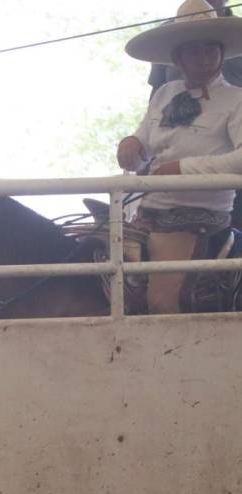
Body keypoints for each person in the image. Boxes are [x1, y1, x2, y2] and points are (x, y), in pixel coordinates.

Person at [117, 0, 242, 314]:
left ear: (221, 52)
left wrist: (182, 169)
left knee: (162, 301)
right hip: (148, 211)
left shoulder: (236, 99)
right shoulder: (164, 93)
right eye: (193, 51)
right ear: (177, 57)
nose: (204, 59)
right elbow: (144, 146)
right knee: (89, 257)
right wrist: (132, 145)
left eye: (210, 50)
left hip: (198, 214)